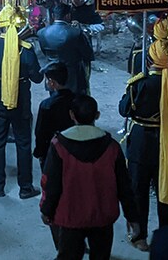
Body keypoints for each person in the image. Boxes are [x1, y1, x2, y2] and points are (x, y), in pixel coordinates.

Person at [40, 95, 139, 260]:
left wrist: (46, 210)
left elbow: (51, 184)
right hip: (103, 217)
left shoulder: (59, 145)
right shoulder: (112, 147)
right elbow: (124, 186)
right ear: (97, 115)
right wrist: (132, 216)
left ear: (71, 115)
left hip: (69, 217)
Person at [118, 19, 168, 252]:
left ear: (152, 58)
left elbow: (124, 110)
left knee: (138, 190)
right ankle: (166, 233)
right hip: (167, 141)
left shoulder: (139, 84)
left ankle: (139, 236)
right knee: (166, 187)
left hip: (141, 142)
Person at [0, 5, 42, 199]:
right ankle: (26, 188)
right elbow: (37, 78)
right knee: (23, 142)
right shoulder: (26, 48)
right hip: (21, 101)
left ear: (0, 26)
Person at [33, 62, 76, 251]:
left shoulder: (47, 105)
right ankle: (78, 237)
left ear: (51, 82)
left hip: (53, 156)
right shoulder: (78, 100)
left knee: (54, 196)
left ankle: (62, 245)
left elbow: (41, 133)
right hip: (76, 155)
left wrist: (40, 153)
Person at [37, 3, 94, 95]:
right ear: (68, 16)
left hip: (52, 74)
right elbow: (88, 54)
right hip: (72, 76)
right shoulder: (75, 33)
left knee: (55, 102)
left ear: (53, 15)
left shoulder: (41, 33)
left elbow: (44, 51)